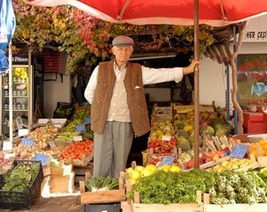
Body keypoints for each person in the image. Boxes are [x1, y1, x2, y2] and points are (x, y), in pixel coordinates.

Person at [84, 35, 200, 178]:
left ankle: (116, 192)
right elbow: (89, 93)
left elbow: (160, 74)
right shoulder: (100, 69)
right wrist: (100, 110)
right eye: (120, 49)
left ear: (131, 51)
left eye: (127, 49)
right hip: (102, 122)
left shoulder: (138, 70)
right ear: (113, 50)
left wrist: (186, 70)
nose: (123, 52)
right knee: (101, 159)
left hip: (124, 121)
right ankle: (99, 194)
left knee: (120, 161)